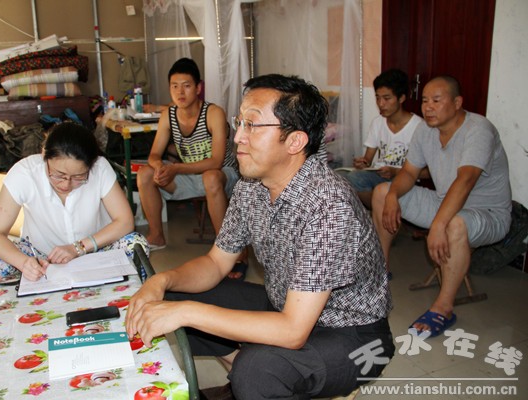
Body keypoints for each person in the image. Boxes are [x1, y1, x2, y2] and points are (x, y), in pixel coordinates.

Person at [126, 74, 394, 399]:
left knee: (256, 369)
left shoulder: (329, 206)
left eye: (252, 125)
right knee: (172, 297)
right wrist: (162, 281)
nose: (238, 136)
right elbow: (216, 263)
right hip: (286, 305)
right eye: (239, 123)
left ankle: (251, 383)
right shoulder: (251, 186)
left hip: (353, 334)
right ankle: (247, 386)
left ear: (294, 142)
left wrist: (187, 314)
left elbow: (293, 331)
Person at [372, 75, 512, 338]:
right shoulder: (425, 129)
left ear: (457, 103)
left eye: (436, 100)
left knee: (455, 223)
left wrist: (438, 225)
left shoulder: (478, 129)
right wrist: (392, 196)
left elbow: (466, 180)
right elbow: (409, 172)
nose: (428, 107)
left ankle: (444, 308)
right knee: (382, 192)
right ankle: (380, 270)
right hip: (443, 202)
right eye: (425, 101)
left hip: (487, 213)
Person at [0, 122, 148, 281]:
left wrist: (78, 248)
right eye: (58, 175)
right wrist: (24, 263)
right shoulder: (24, 173)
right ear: (44, 154)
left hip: (93, 250)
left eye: (78, 177)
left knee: (136, 244)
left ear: (91, 165)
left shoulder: (100, 168)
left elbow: (125, 221)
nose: (66, 184)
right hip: (41, 258)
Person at [137, 58, 248, 279]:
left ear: (198, 88)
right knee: (145, 174)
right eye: (174, 86)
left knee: (210, 177)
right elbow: (154, 155)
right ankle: (156, 235)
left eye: (186, 86)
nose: (180, 92)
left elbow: (216, 161)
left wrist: (176, 168)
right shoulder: (169, 115)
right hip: (190, 176)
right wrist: (160, 168)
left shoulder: (213, 113)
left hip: (224, 176)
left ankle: (227, 250)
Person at [339, 68, 423, 209]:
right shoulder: (378, 123)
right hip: (379, 175)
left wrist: (395, 171)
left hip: (405, 178)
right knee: (340, 176)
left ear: (401, 98)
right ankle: (381, 212)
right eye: (377, 98)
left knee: (356, 179)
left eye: (387, 98)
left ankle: (381, 213)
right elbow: (368, 160)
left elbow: (428, 172)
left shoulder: (419, 127)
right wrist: (362, 163)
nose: (381, 103)